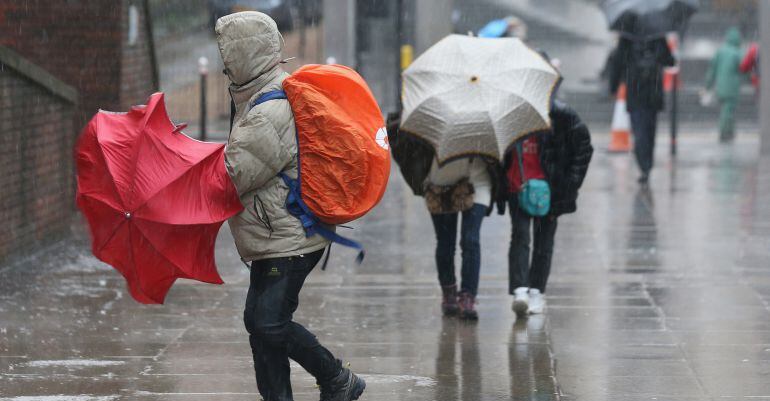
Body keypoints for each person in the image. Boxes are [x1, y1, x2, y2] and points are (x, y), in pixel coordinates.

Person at [216, 12, 364, 401]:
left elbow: (234, 175)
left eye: (228, 55)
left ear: (246, 55)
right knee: (260, 323)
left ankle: (337, 378)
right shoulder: (259, 96)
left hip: (289, 235)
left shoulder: (269, 110)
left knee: (268, 322)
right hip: (278, 233)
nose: (224, 64)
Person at [387, 113, 502, 320]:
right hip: (441, 181)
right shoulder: (433, 110)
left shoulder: (487, 111)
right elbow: (397, 132)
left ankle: (468, 296)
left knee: (471, 240)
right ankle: (449, 292)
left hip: (477, 181)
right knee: (446, 243)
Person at [507, 99, 593, 317]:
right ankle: (520, 290)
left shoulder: (560, 116)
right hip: (517, 187)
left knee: (544, 241)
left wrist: (569, 185)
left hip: (549, 191)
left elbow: (583, 147)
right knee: (520, 236)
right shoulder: (509, 117)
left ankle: (537, 291)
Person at [609, 27, 675, 184]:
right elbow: (669, 61)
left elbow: (617, 62)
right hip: (653, 91)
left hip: (635, 90)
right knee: (650, 130)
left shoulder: (627, 37)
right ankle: (647, 164)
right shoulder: (657, 35)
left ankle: (644, 165)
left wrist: (613, 87)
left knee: (639, 130)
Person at [706, 27, 747, 143]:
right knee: (728, 111)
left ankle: (728, 132)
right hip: (732, 87)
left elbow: (712, 70)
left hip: (720, 86)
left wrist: (708, 85)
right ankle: (725, 133)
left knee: (726, 110)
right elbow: (744, 68)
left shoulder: (720, 51)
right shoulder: (738, 52)